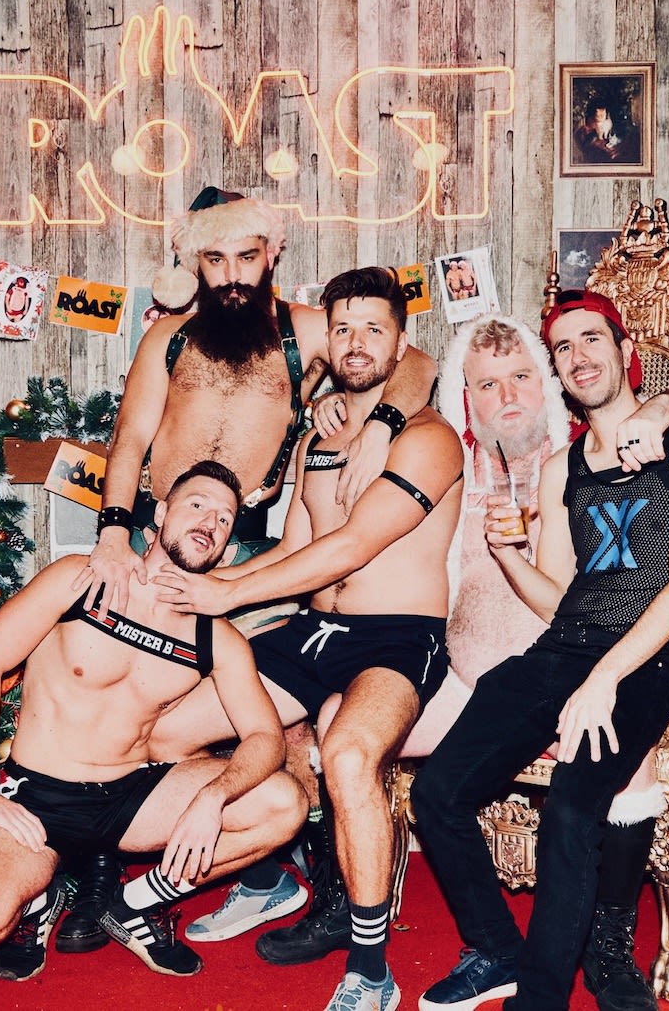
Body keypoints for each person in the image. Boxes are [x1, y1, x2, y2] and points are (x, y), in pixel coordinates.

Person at [59, 188, 434, 955]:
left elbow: (416, 360)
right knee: (134, 706)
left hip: (257, 556)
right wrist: (111, 536)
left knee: (270, 714)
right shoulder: (167, 338)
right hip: (158, 546)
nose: (231, 273)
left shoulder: (305, 333)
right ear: (193, 261)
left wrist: (381, 426)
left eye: (246, 255)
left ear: (273, 256)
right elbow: (128, 442)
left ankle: (310, 880)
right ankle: (101, 872)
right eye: (214, 257)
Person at [148, 267, 465, 1011]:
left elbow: (354, 545)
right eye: (344, 328)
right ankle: (263, 873)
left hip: (396, 639)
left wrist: (224, 591)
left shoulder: (429, 438)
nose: (356, 344)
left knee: (350, 754)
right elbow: (297, 551)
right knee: (171, 731)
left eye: (374, 329)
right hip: (315, 629)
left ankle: (369, 970)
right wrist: (228, 611)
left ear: (400, 341)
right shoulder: (319, 437)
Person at [411, 290, 669, 1011]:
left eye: (591, 340)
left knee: (575, 807)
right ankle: (502, 950)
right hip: (563, 648)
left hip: (641, 659)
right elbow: (557, 597)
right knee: (438, 793)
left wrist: (605, 679)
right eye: (563, 348)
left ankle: (541, 998)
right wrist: (510, 553)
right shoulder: (562, 471)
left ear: (624, 352)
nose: (579, 357)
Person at [0, 462, 306, 982]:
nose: (210, 522)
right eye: (197, 505)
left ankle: (132, 902)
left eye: (224, 517)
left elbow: (264, 737)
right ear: (162, 514)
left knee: (284, 803)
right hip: (38, 797)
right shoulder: (80, 579)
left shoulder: (217, 638)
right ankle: (40, 902)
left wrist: (213, 797)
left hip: (130, 798)